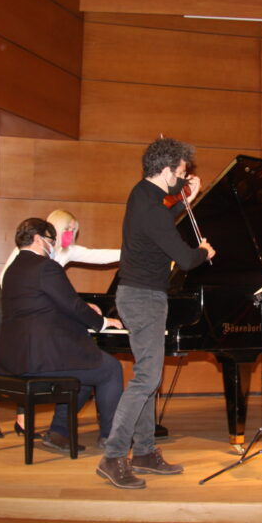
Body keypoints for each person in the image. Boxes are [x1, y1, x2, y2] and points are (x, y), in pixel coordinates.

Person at [96, 137, 215, 489]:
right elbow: (187, 257)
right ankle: (113, 456)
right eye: (180, 173)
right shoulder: (151, 208)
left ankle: (145, 452)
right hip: (145, 299)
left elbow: (162, 222)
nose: (183, 177)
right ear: (165, 171)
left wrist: (183, 198)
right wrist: (205, 251)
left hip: (141, 296)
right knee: (146, 380)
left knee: (149, 378)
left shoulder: (143, 194)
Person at [0, 218, 125, 453]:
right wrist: (102, 322)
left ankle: (59, 433)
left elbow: (48, 305)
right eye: (51, 240)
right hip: (40, 358)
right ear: (38, 239)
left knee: (83, 369)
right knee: (110, 369)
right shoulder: (46, 266)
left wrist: (81, 312)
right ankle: (111, 438)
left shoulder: (12, 270)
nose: (53, 246)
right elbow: (71, 305)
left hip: (16, 357)